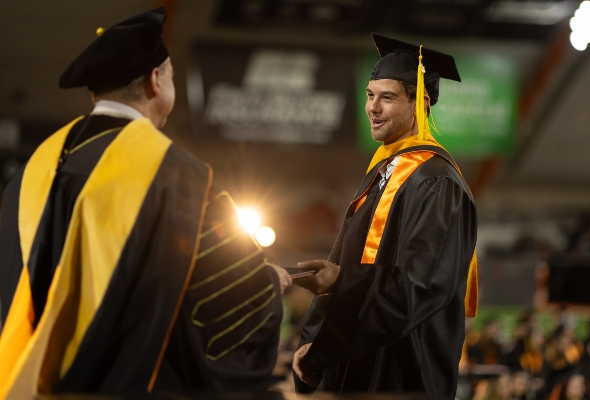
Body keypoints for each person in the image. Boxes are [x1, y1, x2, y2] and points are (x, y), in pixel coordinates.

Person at [0, 7, 290, 398]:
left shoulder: (33, 170)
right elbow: (231, 299)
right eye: (172, 74)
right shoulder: (175, 176)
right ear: (156, 81)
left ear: (96, 91)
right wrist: (270, 281)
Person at [292, 33, 478, 399]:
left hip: (403, 371)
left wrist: (327, 345)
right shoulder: (383, 173)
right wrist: (314, 344)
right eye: (370, 95)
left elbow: (418, 288)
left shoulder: (438, 183)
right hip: (361, 361)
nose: (373, 108)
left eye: (387, 97)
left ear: (421, 103)